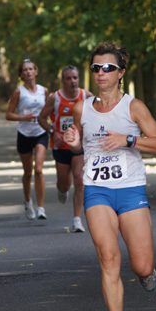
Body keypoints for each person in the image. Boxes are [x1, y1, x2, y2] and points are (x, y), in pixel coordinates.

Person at [64, 41, 156, 311]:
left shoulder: (133, 107)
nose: (101, 73)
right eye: (96, 67)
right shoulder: (81, 107)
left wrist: (128, 139)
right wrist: (71, 143)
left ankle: (147, 273)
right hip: (96, 189)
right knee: (109, 258)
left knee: (141, 266)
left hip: (130, 189)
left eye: (108, 67)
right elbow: (79, 147)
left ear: (121, 72)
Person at [38, 65, 92, 232]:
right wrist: (53, 132)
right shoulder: (55, 98)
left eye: (75, 78)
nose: (72, 81)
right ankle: (62, 190)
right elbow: (41, 118)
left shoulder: (87, 96)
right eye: (68, 78)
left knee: (80, 179)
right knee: (64, 185)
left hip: (80, 146)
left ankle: (77, 220)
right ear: (63, 81)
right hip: (61, 146)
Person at [6, 59, 49, 220]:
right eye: (25, 70)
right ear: (21, 74)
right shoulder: (19, 92)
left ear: (36, 72)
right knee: (28, 172)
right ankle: (28, 201)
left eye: (31, 69)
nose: (29, 72)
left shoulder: (44, 91)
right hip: (24, 134)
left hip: (40, 132)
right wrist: (23, 117)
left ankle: (41, 207)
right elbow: (8, 114)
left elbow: (48, 110)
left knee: (38, 169)